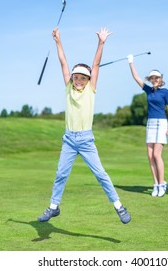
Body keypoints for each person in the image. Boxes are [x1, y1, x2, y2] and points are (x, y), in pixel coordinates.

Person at [38, 27, 131, 224]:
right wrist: (58, 41)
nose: (78, 80)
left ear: (89, 79)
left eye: (82, 77)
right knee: (61, 174)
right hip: (69, 139)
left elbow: (95, 64)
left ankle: (119, 206)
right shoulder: (68, 88)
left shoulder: (91, 90)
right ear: (72, 78)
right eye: (76, 77)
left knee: (100, 174)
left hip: (86, 140)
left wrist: (101, 43)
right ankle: (53, 207)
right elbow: (63, 62)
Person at [127, 54, 168, 197]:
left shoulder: (165, 92)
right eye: (152, 78)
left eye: (156, 78)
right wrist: (131, 62)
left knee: (157, 154)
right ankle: (155, 184)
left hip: (161, 123)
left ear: (161, 80)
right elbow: (136, 77)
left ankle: (161, 184)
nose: (154, 80)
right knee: (149, 155)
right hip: (150, 123)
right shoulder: (148, 90)